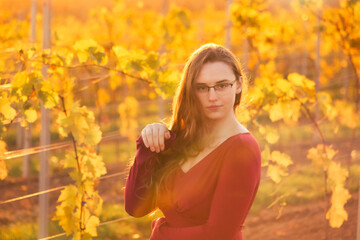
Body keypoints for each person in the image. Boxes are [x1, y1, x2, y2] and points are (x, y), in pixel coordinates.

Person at [124, 43, 261, 240]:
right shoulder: (180, 140)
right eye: (202, 88)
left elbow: (218, 234)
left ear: (238, 84)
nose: (212, 97)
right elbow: (135, 207)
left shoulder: (242, 149)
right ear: (191, 90)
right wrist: (147, 145)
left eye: (222, 85)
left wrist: (161, 234)